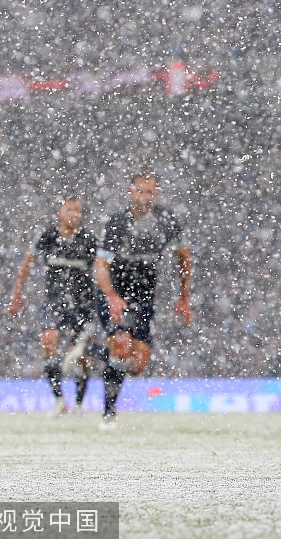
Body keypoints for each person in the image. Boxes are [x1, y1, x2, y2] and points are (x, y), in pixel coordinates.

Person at [94, 172, 191, 429]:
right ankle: (109, 413)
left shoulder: (166, 221)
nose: (144, 197)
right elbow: (100, 265)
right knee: (121, 346)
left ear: (155, 195)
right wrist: (112, 297)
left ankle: (97, 350)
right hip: (115, 292)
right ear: (130, 193)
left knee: (137, 365)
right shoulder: (117, 224)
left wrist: (183, 298)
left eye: (149, 192)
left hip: (143, 295)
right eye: (140, 191)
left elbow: (184, 257)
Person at [8, 197, 98, 416]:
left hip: (82, 304)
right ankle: (59, 400)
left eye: (78, 211)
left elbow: (101, 267)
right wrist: (17, 293)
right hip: (55, 301)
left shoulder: (88, 239)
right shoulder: (48, 236)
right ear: (60, 213)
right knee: (48, 342)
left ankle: (78, 404)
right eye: (69, 210)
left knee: (83, 358)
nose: (74, 215)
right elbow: (28, 260)